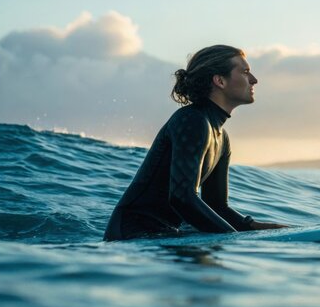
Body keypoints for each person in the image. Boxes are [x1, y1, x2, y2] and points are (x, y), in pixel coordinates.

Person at [104, 45, 287, 241]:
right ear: (219, 81)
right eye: (245, 72)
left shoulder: (221, 136)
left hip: (160, 237)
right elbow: (181, 197)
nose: (254, 80)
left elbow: (217, 206)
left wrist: (259, 228)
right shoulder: (192, 120)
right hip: (131, 238)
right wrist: (235, 241)